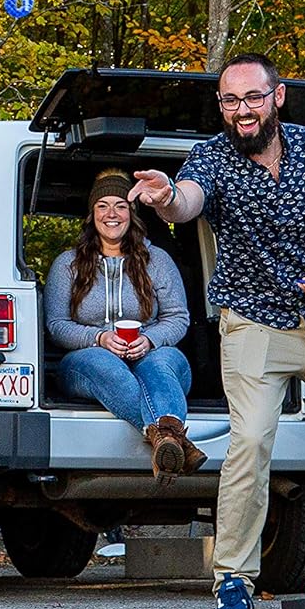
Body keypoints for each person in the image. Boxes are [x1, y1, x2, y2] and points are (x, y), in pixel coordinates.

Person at [129, 53, 305, 609]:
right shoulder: (212, 157)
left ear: (276, 97)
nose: (242, 111)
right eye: (230, 101)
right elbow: (188, 201)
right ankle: (233, 580)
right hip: (254, 322)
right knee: (251, 443)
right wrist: (165, 198)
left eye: (252, 98)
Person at [45, 169, 204, 481]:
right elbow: (56, 325)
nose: (111, 213)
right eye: (102, 205)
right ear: (92, 215)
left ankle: (164, 439)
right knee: (102, 362)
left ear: (132, 213)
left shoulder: (156, 260)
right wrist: (99, 338)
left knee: (165, 361)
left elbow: (178, 318)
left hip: (148, 352)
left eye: (120, 205)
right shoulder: (68, 264)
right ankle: (175, 439)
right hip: (88, 361)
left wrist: (150, 340)